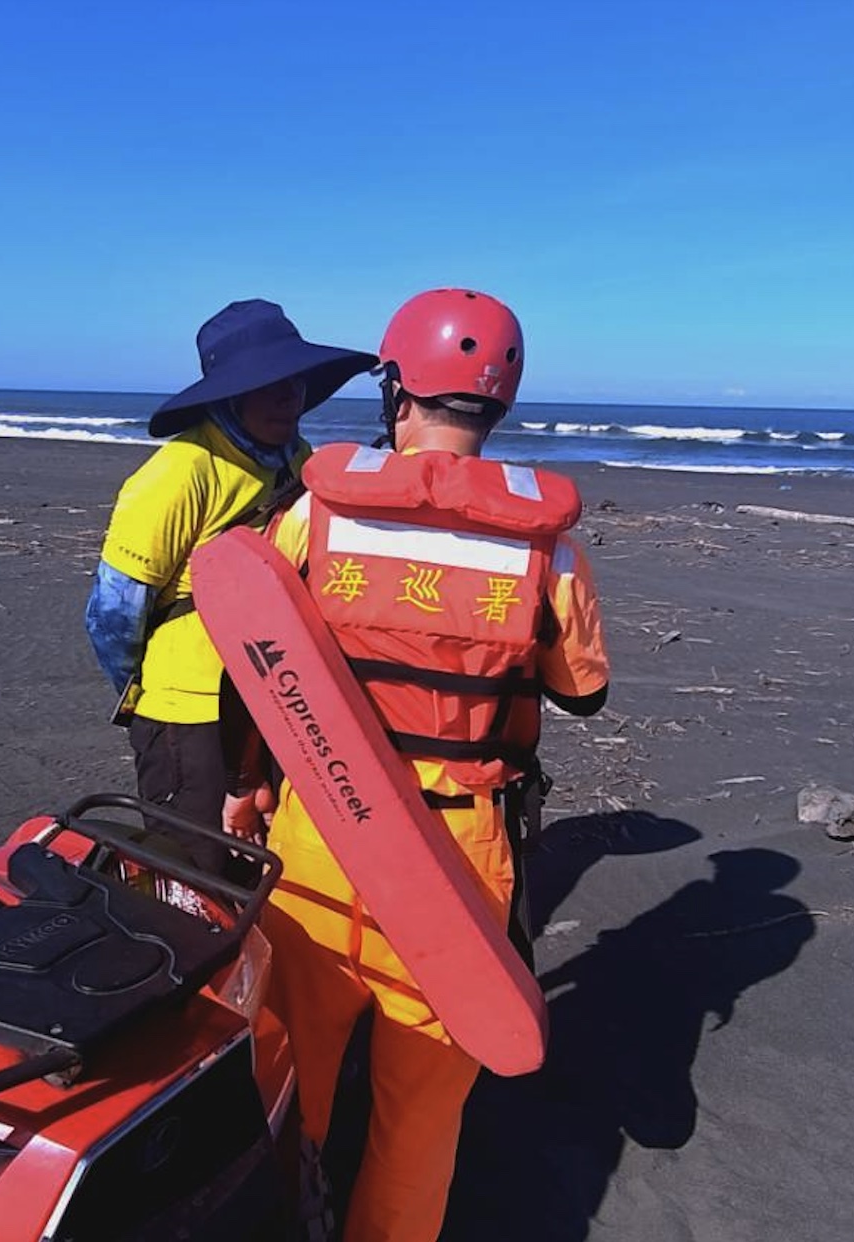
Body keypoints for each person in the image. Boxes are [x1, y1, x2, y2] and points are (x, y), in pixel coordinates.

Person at [240, 288, 612, 1242]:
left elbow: (258, 647)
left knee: (291, 1078)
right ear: (500, 404)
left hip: (322, 830)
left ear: (396, 388)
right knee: (420, 1116)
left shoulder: (315, 513)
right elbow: (581, 689)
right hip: (458, 857)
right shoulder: (549, 549)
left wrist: (249, 782)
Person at [84, 299, 376, 864]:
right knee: (195, 869)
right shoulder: (181, 471)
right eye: (268, 385)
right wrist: (150, 689)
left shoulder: (300, 460)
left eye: (294, 381)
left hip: (278, 698)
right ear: (229, 394)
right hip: (189, 714)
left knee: (269, 864)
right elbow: (113, 613)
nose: (288, 397)